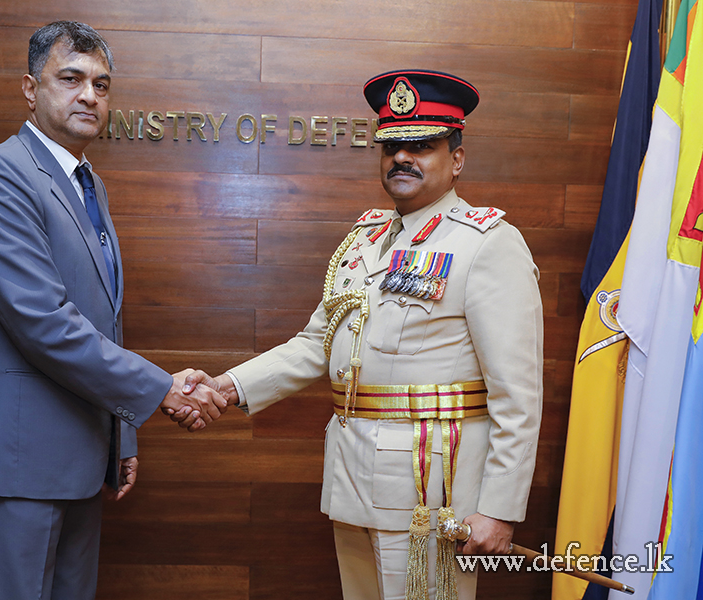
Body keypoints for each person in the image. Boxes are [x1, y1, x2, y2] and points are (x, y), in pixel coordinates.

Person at [182, 70, 543, 600]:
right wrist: (226, 386)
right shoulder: (366, 239)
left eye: (421, 145)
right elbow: (315, 344)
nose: (402, 157)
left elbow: (518, 394)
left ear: (457, 159)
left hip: (430, 493)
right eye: (392, 145)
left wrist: (499, 508)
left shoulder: (488, 245)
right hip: (352, 479)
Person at [0, 21, 225, 600]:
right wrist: (163, 389)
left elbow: (102, 323)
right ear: (30, 89)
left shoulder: (89, 185)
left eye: (102, 84)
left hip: (81, 462)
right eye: (71, 78)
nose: (90, 95)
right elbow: (43, 322)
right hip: (12, 462)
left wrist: (122, 436)